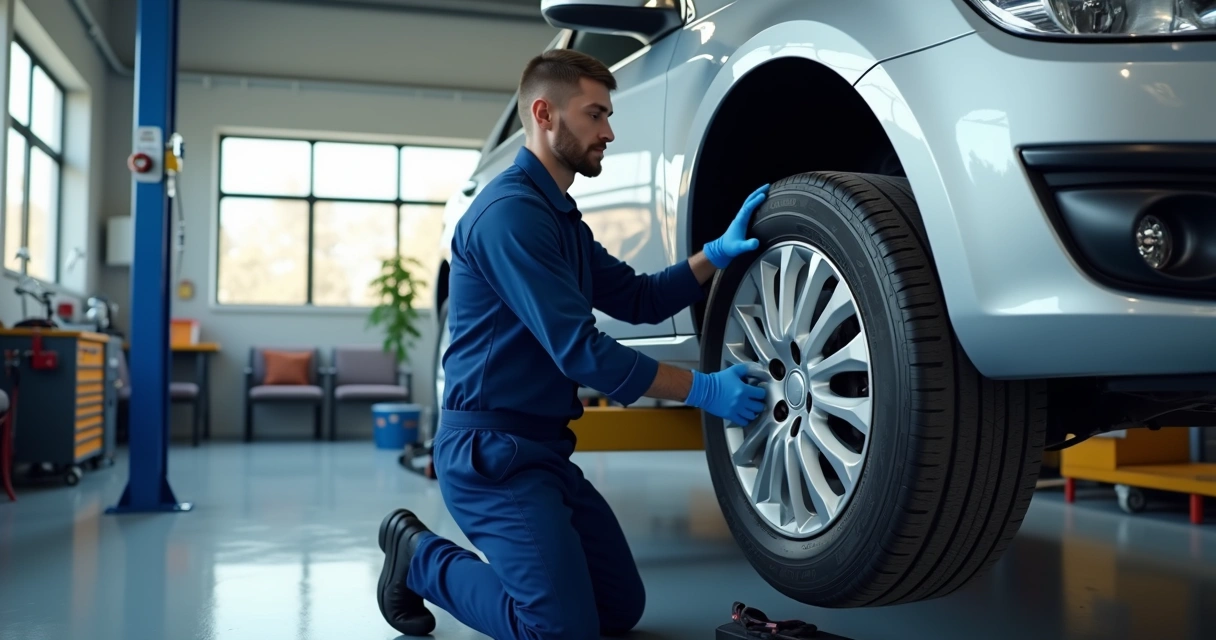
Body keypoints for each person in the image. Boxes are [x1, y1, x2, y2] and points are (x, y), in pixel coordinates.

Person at [375, 49, 769, 640]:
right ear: (544, 114)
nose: (608, 132)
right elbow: (582, 352)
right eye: (595, 115)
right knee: (557, 631)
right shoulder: (508, 217)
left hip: (543, 452)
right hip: (490, 456)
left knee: (619, 609)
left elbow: (638, 298)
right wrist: (704, 390)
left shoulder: (558, 218)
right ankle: (419, 559)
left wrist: (712, 255)